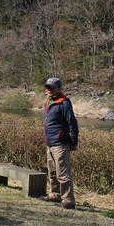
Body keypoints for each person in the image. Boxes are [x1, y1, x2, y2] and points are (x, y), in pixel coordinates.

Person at [40, 77, 79, 209]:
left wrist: (73, 142)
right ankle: (55, 194)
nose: (49, 90)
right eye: (48, 87)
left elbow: (72, 123)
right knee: (52, 170)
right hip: (50, 143)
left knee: (63, 173)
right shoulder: (49, 101)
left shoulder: (64, 103)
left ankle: (68, 200)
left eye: (52, 87)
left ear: (59, 88)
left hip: (60, 143)